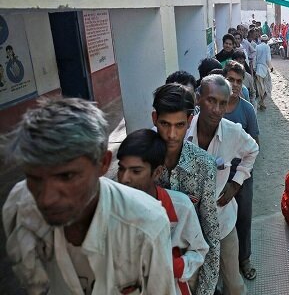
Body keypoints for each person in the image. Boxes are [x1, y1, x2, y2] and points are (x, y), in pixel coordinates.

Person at [2, 98, 176, 294]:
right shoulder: (19, 207)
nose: (46, 199)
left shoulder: (146, 222)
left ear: (103, 163)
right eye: (34, 178)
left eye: (67, 176)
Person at [186, 75, 259, 293]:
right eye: (211, 100)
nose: (217, 109)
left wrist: (236, 183)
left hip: (222, 223)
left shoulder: (233, 132)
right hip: (189, 228)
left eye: (222, 103)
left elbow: (253, 150)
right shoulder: (182, 131)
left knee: (234, 285)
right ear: (198, 99)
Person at [117, 129, 209, 295]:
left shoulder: (180, 207)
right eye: (121, 169)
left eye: (136, 171)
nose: (124, 178)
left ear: (157, 172)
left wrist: (173, 266)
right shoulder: (111, 207)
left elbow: (199, 250)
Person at [152, 83, 221, 295]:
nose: (172, 134)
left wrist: (205, 290)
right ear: (154, 118)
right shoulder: (142, 159)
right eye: (164, 124)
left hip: (189, 271)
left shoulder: (204, 165)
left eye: (179, 125)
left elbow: (210, 231)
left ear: (190, 121)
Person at [222, 60, 260, 280]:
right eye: (230, 80)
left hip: (243, 176)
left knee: (243, 218)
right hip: (217, 175)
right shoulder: (213, 107)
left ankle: (244, 259)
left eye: (238, 81)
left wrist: (238, 178)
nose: (235, 85)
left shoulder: (247, 110)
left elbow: (254, 146)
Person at [255, 34, 273, 110]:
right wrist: (271, 67)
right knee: (268, 86)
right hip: (264, 68)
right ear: (266, 41)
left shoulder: (257, 46)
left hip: (258, 69)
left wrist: (254, 68)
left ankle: (261, 102)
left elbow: (254, 58)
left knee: (260, 87)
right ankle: (262, 101)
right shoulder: (267, 47)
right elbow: (268, 59)